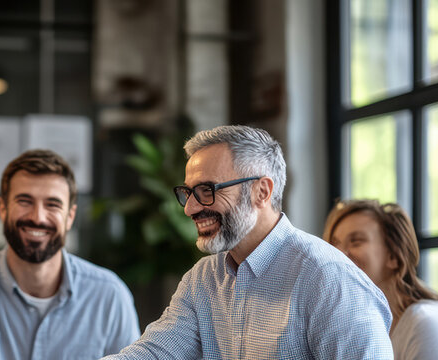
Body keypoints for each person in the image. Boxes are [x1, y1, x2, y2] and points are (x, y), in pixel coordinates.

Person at [104, 125, 392, 359]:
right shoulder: (203, 279)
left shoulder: (329, 279)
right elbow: (155, 354)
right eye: (188, 193)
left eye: (207, 190)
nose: (190, 208)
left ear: (261, 192)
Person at [0, 149, 140, 360]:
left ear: (70, 217)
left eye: (52, 204)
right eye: (24, 201)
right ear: (3, 209)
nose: (38, 217)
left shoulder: (110, 296)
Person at [324, 199, 438, 360]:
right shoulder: (355, 330)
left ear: (393, 256)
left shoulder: (425, 323)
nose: (339, 254)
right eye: (335, 244)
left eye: (356, 241)